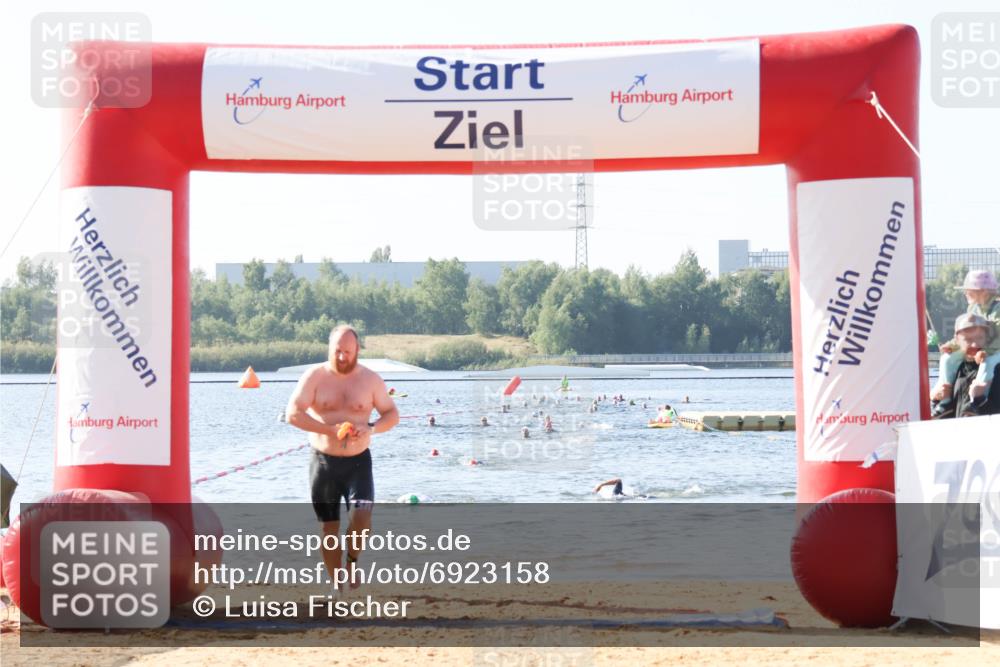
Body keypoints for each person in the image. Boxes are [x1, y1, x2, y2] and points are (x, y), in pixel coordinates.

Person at [286, 325, 400, 590]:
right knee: (328, 531)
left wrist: (371, 428)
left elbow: (391, 414)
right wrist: (328, 430)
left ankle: (351, 561)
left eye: (347, 352)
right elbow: (293, 413)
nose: (341, 357)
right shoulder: (314, 376)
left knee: (361, 518)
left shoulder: (370, 380)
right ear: (330, 349)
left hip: (358, 462)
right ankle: (337, 580)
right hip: (323, 462)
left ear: (357, 350)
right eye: (337, 351)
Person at [931, 270, 1000, 413]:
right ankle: (945, 400)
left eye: (969, 291)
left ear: (983, 292)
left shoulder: (998, 309)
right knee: (946, 359)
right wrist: (952, 345)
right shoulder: (973, 308)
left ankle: (979, 400)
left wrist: (986, 352)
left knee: (988, 361)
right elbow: (966, 333)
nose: (966, 293)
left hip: (995, 350)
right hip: (981, 350)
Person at [932, 313, 1000, 418]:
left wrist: (980, 400)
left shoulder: (996, 370)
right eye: (968, 340)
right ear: (957, 340)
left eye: (979, 338)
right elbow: (942, 420)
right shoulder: (956, 369)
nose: (975, 344)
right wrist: (936, 400)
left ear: (987, 338)